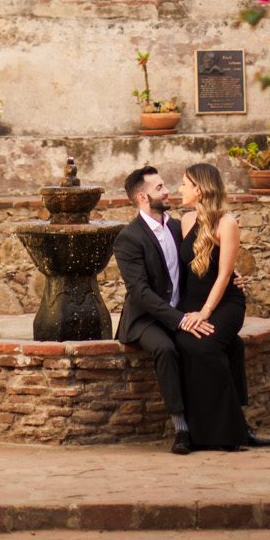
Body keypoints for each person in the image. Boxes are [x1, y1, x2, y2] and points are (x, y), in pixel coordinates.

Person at [113, 165, 201, 455]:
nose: (167, 190)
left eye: (164, 185)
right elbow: (139, 292)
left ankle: (227, 421)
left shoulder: (178, 227)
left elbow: (200, 264)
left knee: (211, 343)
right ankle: (182, 429)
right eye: (159, 187)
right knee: (165, 349)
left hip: (180, 311)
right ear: (142, 197)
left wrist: (230, 276)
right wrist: (179, 321)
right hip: (145, 320)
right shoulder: (129, 237)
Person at [174, 161, 261, 451]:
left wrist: (205, 313)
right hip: (193, 303)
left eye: (184, 184)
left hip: (224, 304)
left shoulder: (227, 223)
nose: (180, 189)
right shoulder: (186, 221)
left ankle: (228, 430)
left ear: (198, 189)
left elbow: (224, 274)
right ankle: (228, 427)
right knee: (189, 344)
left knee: (205, 346)